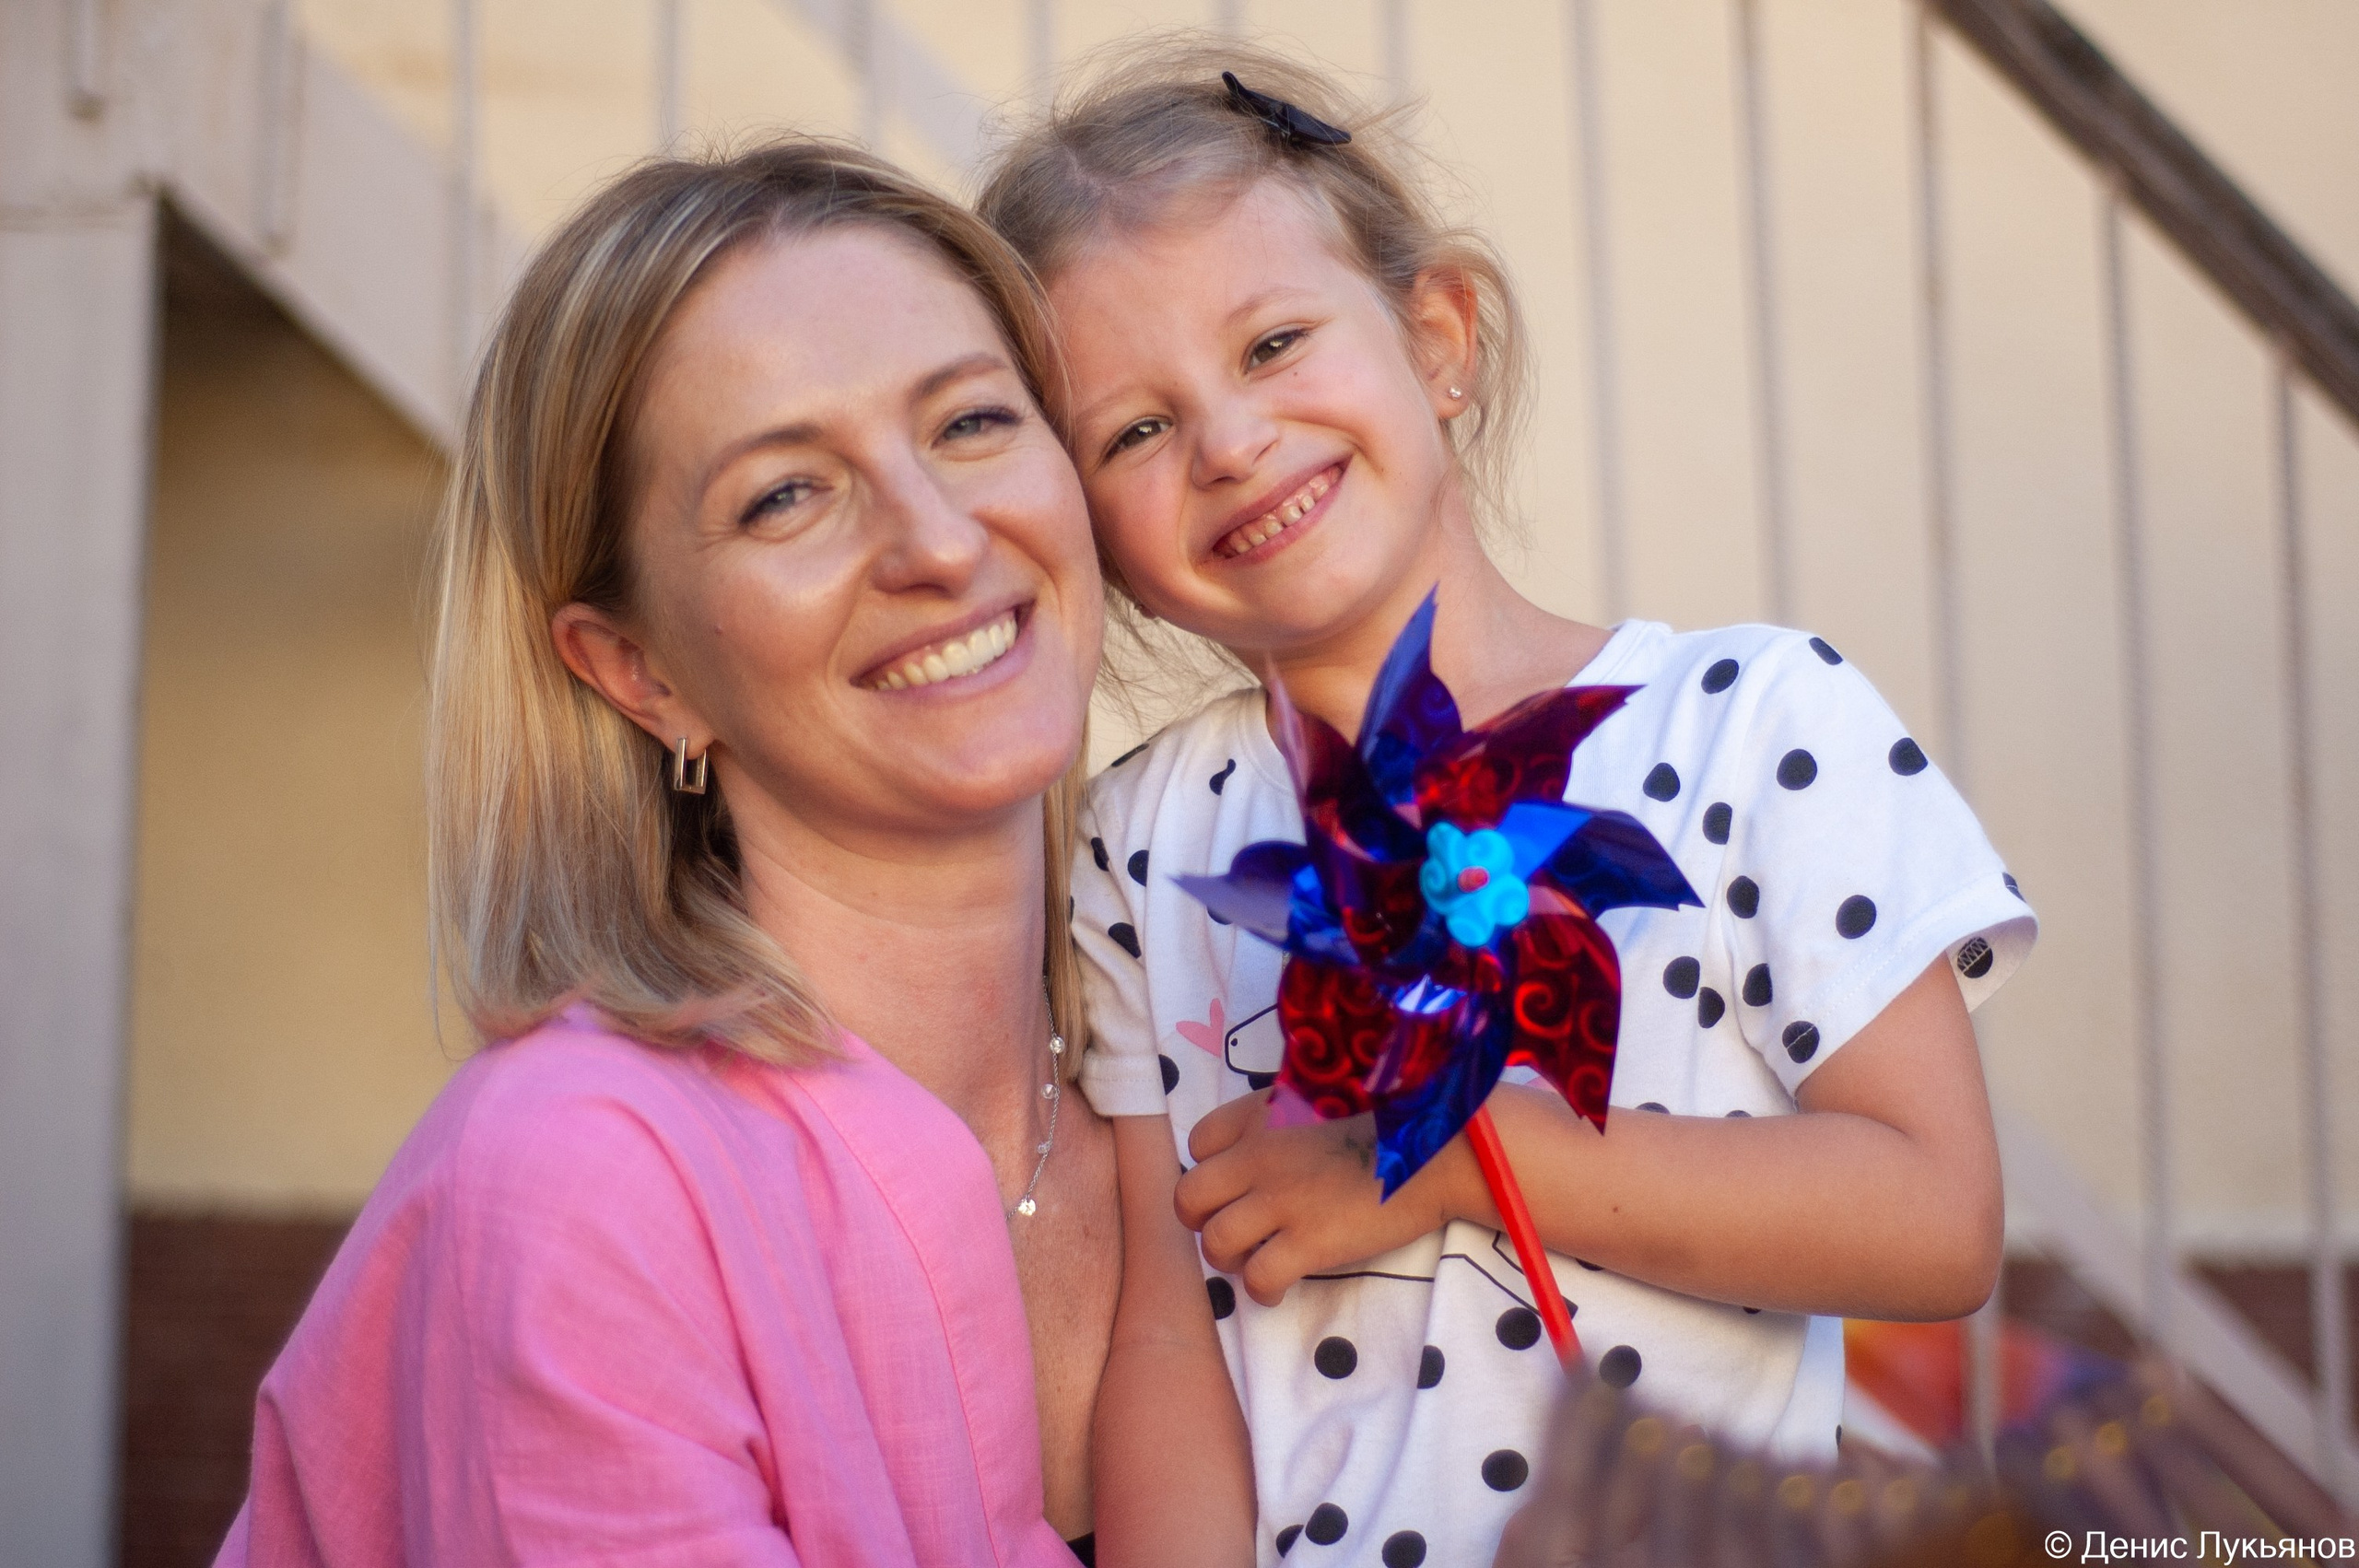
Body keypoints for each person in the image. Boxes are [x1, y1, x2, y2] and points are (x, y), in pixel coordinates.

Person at [979, 41, 2038, 1566]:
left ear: (1441, 340)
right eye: (1133, 431)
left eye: (1273, 343)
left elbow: (1938, 1219)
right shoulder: (1147, 839)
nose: (1227, 440)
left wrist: (1459, 1156)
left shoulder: (1757, 725)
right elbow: (1164, 1334)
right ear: (1093, 531)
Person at [213, 140, 1243, 1566]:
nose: (939, 543)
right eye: (785, 496)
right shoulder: (583, 1174)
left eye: (970, 424)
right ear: (638, 670)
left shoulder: (1225, 1059)